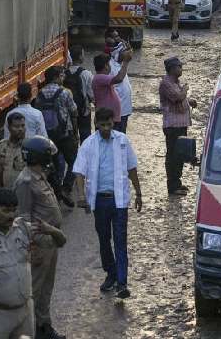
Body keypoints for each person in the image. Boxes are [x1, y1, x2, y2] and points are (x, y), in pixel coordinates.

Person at [0, 189, 62, 339]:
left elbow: (61, 241)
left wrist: (52, 230)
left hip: (25, 313)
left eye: (13, 210)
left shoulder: (23, 228)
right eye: (5, 211)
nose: (11, 215)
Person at [72, 108, 142, 300]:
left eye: (108, 124)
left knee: (120, 241)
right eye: (102, 125)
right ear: (96, 124)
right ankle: (110, 273)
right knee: (104, 240)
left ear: (113, 122)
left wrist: (138, 193)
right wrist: (81, 196)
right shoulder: (88, 144)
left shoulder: (122, 141)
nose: (105, 128)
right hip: (99, 201)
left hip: (119, 201)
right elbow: (79, 172)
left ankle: (122, 282)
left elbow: (132, 167)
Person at [14, 137, 67, 339]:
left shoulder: (39, 175)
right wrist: (31, 247)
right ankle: (28, 332)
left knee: (46, 289)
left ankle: (44, 327)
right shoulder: (25, 182)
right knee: (34, 292)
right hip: (39, 243)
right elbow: (23, 217)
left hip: (50, 241)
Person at [35, 66, 78, 204]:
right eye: (61, 75)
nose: (63, 78)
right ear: (56, 77)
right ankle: (66, 188)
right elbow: (74, 112)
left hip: (48, 136)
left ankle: (56, 191)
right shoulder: (65, 93)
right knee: (75, 162)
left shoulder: (40, 93)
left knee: (53, 163)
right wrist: (76, 132)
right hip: (65, 134)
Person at [159, 57, 198, 196]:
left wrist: (189, 101)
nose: (181, 69)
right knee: (173, 156)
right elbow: (176, 97)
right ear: (172, 68)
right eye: (179, 67)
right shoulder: (166, 83)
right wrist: (185, 90)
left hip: (181, 125)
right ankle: (173, 186)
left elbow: (180, 99)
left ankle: (178, 183)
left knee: (180, 155)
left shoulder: (175, 83)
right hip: (172, 126)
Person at [92, 53, 130, 131]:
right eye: (109, 64)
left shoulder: (101, 78)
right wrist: (125, 62)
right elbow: (119, 78)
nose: (110, 67)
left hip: (110, 117)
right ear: (106, 66)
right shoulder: (99, 78)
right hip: (106, 118)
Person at [66, 45, 95, 141]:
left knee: (70, 136)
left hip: (68, 111)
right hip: (83, 111)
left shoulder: (64, 73)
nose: (84, 56)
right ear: (79, 57)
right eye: (83, 54)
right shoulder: (86, 74)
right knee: (85, 137)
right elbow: (92, 95)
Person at [0, 113, 27, 191]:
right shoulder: (3, 145)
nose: (20, 129)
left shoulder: (29, 147)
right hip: (8, 193)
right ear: (9, 128)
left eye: (23, 126)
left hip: (23, 193)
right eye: (16, 126)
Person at [108, 42, 134, 133]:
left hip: (124, 111)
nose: (128, 52)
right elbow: (119, 79)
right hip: (117, 112)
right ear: (118, 53)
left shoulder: (119, 65)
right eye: (125, 51)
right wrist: (126, 62)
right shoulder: (111, 66)